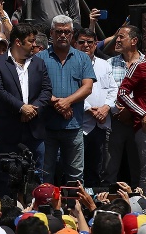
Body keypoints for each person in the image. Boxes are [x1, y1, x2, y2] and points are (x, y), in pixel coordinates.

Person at [0, 24, 52, 197]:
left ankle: (33, 211)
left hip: (34, 131)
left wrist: (32, 110)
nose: (34, 45)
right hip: (9, 132)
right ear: (17, 42)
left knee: (35, 175)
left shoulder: (39, 63)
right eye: (30, 41)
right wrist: (21, 108)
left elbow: (46, 91)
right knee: (5, 176)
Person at [35, 15, 95, 183]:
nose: (62, 35)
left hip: (74, 127)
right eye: (59, 31)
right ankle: (43, 209)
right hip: (47, 127)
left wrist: (67, 102)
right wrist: (56, 102)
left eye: (66, 32)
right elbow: (35, 87)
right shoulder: (40, 58)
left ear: (72, 34)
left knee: (75, 176)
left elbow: (87, 87)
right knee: (44, 174)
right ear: (51, 33)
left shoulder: (83, 58)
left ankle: (74, 208)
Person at [73, 28, 117, 187]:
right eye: (82, 42)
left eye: (90, 42)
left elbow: (113, 90)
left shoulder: (104, 65)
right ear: (75, 44)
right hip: (80, 123)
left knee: (99, 167)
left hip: (102, 123)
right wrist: (89, 109)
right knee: (78, 166)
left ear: (95, 44)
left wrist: (106, 108)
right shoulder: (71, 64)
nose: (86, 45)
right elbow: (70, 91)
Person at [104, 25, 143, 188]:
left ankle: (138, 205)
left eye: (121, 37)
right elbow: (106, 91)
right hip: (114, 122)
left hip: (140, 124)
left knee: (139, 169)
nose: (116, 40)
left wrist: (131, 111)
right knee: (109, 168)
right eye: (116, 36)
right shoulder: (108, 64)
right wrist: (117, 110)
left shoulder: (145, 63)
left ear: (134, 41)